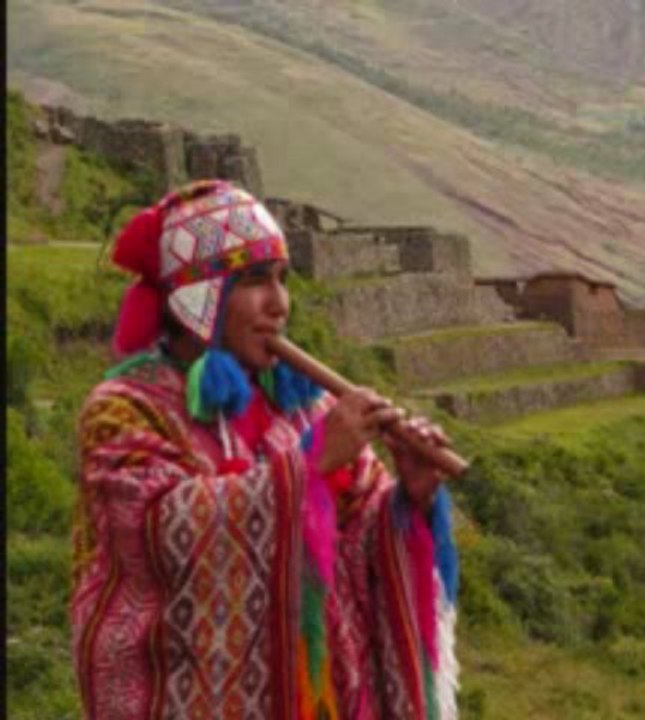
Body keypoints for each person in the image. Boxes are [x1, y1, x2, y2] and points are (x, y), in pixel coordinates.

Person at [71, 180, 460, 719]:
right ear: (199, 298)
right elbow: (157, 534)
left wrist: (408, 497)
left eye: (282, 279)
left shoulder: (307, 409)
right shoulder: (123, 411)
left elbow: (357, 537)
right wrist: (311, 465)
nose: (279, 304)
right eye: (254, 281)